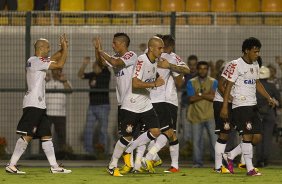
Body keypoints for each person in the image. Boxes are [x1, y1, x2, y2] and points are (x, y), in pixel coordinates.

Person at [5, 34, 71, 174]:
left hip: (39, 105)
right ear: (41, 48)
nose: (49, 49)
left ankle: (54, 167)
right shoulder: (35, 61)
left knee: (46, 135)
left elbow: (52, 58)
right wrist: (65, 50)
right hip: (33, 104)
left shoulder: (35, 60)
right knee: (28, 135)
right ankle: (11, 164)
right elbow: (59, 64)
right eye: (47, 47)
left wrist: (61, 49)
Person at [107, 36, 165, 176]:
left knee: (156, 131)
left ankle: (130, 150)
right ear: (151, 48)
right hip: (131, 104)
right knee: (126, 136)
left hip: (145, 104)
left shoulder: (154, 61)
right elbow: (135, 83)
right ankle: (113, 164)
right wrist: (154, 84)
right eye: (160, 48)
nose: (162, 51)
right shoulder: (141, 60)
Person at [220, 37, 276, 176]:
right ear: (246, 51)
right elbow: (228, 87)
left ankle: (230, 155)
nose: (257, 54)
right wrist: (225, 106)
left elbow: (257, 83)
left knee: (257, 137)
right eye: (255, 51)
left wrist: (268, 97)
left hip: (252, 105)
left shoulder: (255, 64)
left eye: (258, 52)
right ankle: (250, 168)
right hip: (240, 105)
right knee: (247, 135)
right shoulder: (236, 64)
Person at [140, 34, 190, 173]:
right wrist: (172, 68)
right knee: (165, 132)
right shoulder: (169, 56)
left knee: (167, 132)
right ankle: (151, 158)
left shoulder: (152, 55)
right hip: (163, 100)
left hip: (158, 100)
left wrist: (170, 67)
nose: (164, 50)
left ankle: (166, 163)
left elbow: (186, 70)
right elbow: (181, 80)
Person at [93, 32, 138, 176]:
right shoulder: (115, 57)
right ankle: (128, 164)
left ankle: (146, 160)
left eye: (114, 43)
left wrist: (101, 51)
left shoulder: (131, 55)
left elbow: (115, 63)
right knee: (129, 135)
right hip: (123, 103)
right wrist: (97, 50)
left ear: (123, 44)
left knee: (138, 134)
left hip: (134, 101)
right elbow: (101, 63)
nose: (112, 45)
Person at [78, 56, 111, 155]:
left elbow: (105, 64)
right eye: (93, 66)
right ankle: (89, 151)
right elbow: (80, 75)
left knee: (103, 129)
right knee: (88, 129)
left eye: (95, 66)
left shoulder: (106, 74)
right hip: (92, 106)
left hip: (103, 106)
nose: (93, 67)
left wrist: (100, 55)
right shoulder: (92, 75)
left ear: (100, 67)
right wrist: (84, 64)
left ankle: (102, 149)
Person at [187, 61, 217, 168]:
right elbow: (191, 98)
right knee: (196, 142)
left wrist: (199, 94)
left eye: (205, 68)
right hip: (196, 116)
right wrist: (206, 94)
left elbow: (214, 97)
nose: (203, 70)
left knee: (214, 142)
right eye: (201, 68)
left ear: (208, 70)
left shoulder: (214, 82)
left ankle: (217, 163)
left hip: (211, 115)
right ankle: (197, 163)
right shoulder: (191, 82)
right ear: (197, 69)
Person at [256, 66, 280, 167]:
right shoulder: (272, 86)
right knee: (267, 138)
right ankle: (265, 159)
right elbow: (279, 100)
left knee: (257, 137)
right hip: (269, 113)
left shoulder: (254, 85)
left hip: (256, 113)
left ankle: (258, 160)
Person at [46, 68, 72, 156]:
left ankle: (63, 154)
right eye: (54, 71)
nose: (56, 73)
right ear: (52, 72)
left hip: (60, 114)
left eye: (58, 71)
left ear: (61, 72)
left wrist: (64, 81)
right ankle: (43, 154)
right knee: (45, 135)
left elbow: (69, 90)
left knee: (61, 136)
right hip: (47, 113)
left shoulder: (65, 82)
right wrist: (44, 80)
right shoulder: (47, 82)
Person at [180, 55, 198, 144]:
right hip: (186, 104)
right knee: (186, 128)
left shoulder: (200, 75)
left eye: (194, 65)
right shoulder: (185, 75)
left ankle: (194, 147)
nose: (192, 67)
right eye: (190, 65)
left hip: (197, 106)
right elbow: (179, 87)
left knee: (196, 128)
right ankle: (187, 147)